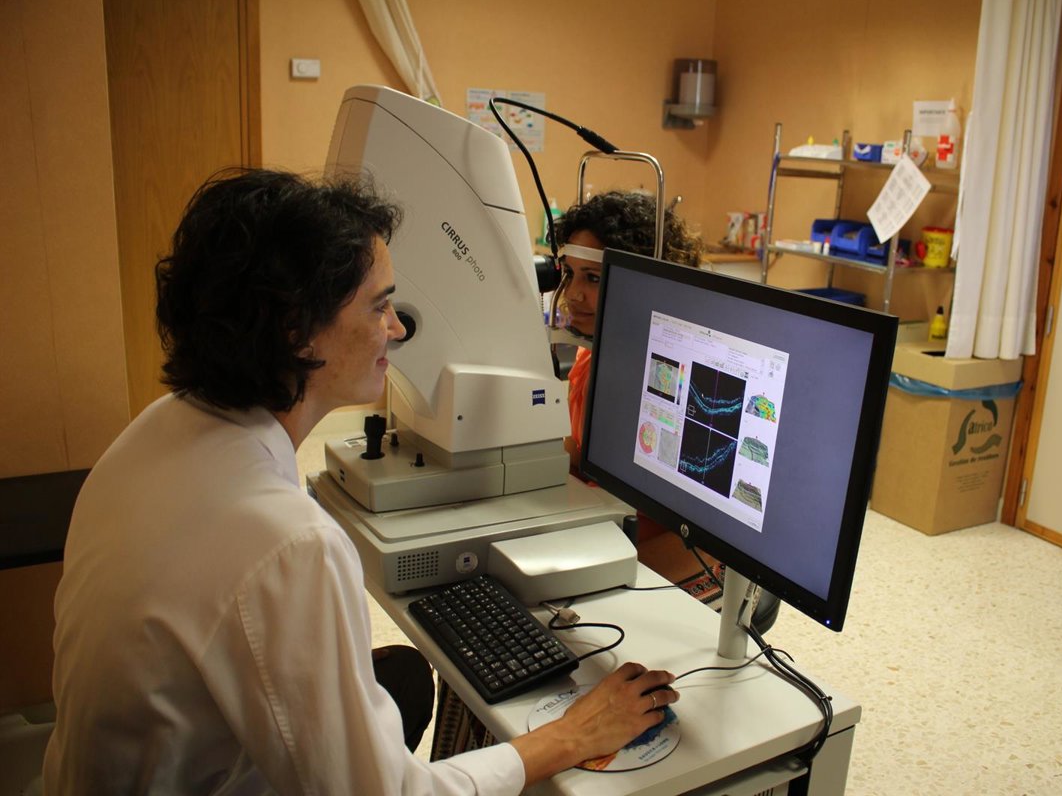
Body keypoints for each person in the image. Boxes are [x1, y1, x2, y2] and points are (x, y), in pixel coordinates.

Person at [42, 169, 677, 795]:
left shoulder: (154, 430)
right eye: (379, 307)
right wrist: (571, 734)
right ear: (296, 329)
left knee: (401, 677)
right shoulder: (290, 544)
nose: (396, 329)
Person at [552, 190, 704, 475]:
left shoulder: (663, 380)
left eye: (593, 278)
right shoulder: (588, 357)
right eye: (570, 274)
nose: (573, 294)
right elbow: (575, 456)